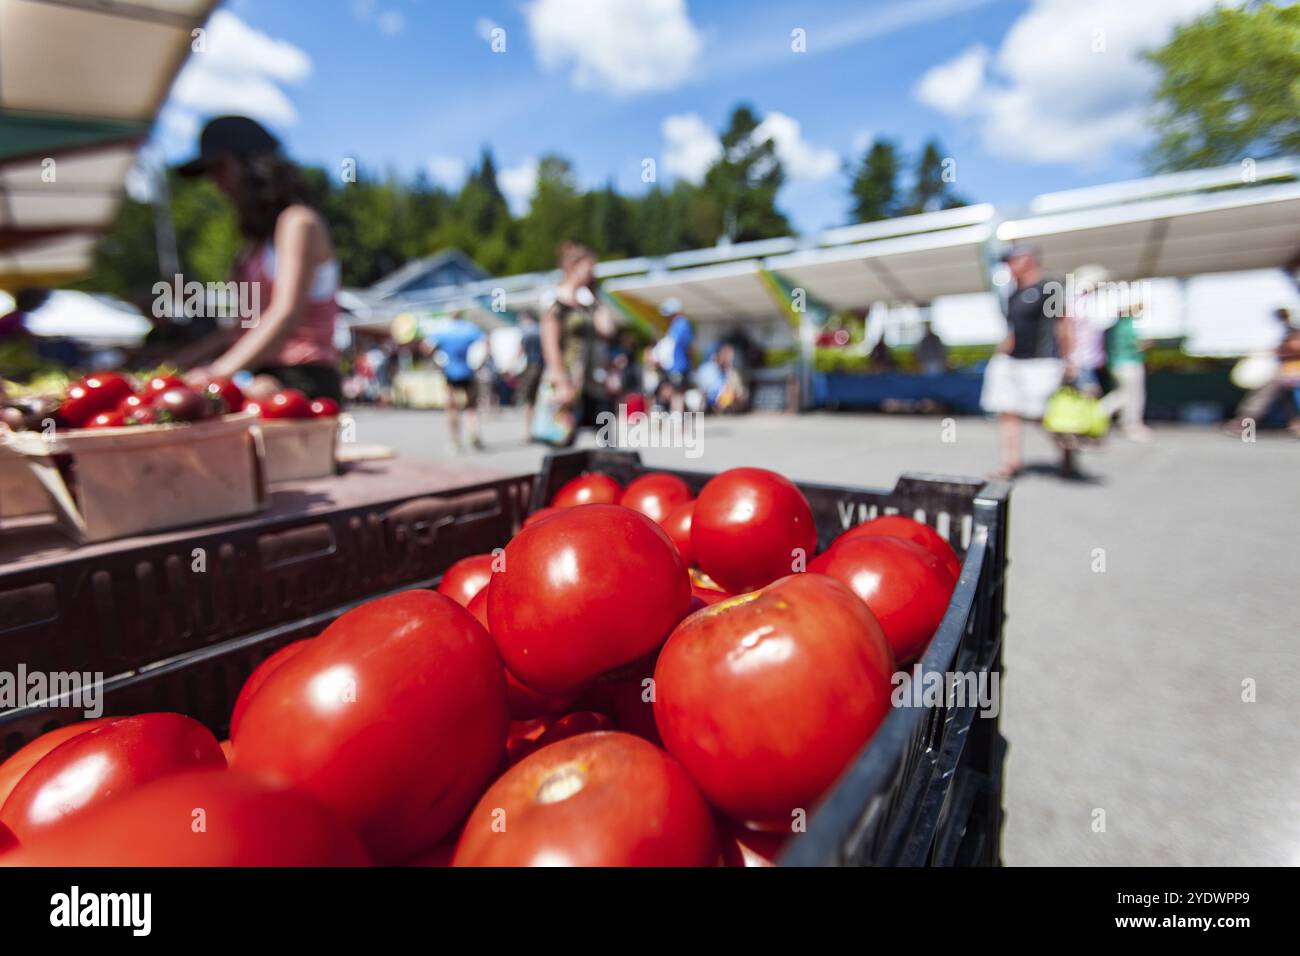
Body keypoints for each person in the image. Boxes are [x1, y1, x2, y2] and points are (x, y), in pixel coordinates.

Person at [176, 116, 342, 402]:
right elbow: (242, 326)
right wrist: (177, 365)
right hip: (261, 374)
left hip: (304, 381)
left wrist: (216, 373)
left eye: (221, 168)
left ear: (254, 165)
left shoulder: (298, 223)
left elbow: (285, 313)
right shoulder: (253, 247)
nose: (216, 183)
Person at [981, 244, 1071, 479]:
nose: (1009, 267)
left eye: (1012, 261)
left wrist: (1069, 360)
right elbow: (1014, 330)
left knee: (1041, 415)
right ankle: (1011, 462)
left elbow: (1062, 324)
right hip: (1013, 361)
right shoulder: (1013, 295)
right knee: (1007, 411)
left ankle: (1066, 451)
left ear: (1028, 259)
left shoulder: (1050, 288)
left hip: (1041, 361)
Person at [540, 242, 619, 431]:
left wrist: (596, 294)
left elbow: (608, 330)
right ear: (573, 268)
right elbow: (550, 344)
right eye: (589, 268)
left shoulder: (587, 302)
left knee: (606, 437)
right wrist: (561, 382)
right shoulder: (555, 300)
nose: (593, 273)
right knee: (563, 440)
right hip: (568, 379)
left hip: (591, 381)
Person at [1228, 308, 1300, 436]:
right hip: (1288, 374)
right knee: (1275, 388)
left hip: (1292, 374)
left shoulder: (1293, 332)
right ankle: (1246, 422)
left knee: (1277, 385)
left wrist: (1284, 349)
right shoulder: (1281, 332)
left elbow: (1294, 347)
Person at [427, 311, 486, 452]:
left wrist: (438, 364)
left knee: (452, 409)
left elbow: (427, 347)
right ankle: (474, 434)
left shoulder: (443, 330)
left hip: (450, 373)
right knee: (471, 407)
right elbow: (486, 341)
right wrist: (480, 364)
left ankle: (455, 440)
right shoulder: (469, 328)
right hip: (467, 371)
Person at [1099, 299, 1153, 442]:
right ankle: (1128, 425)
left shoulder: (1114, 326)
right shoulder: (1127, 326)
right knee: (1130, 396)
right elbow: (1136, 344)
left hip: (1117, 364)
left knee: (1124, 394)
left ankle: (1119, 421)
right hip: (1129, 364)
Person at [654, 298, 694, 411]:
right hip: (675, 366)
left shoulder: (681, 324)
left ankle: (677, 419)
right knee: (674, 392)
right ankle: (676, 418)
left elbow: (687, 347)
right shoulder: (677, 326)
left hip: (678, 365)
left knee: (677, 393)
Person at [516, 310, 544, 437]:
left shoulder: (526, 332)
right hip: (543, 367)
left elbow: (520, 352)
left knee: (529, 400)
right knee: (540, 399)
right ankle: (539, 428)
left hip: (531, 367)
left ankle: (528, 430)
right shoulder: (540, 330)